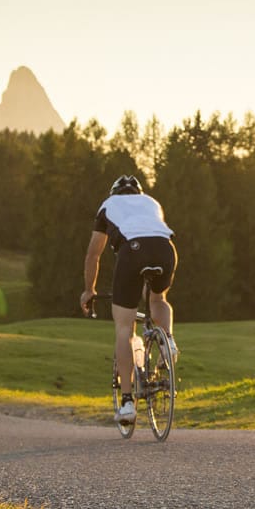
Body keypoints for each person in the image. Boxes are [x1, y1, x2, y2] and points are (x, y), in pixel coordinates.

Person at [80, 174, 178, 425]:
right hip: (166, 249)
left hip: (132, 251)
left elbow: (93, 255)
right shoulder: (152, 202)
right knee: (157, 299)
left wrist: (89, 290)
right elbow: (152, 233)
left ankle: (127, 403)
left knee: (125, 327)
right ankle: (168, 340)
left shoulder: (108, 205)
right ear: (138, 193)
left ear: (115, 193)